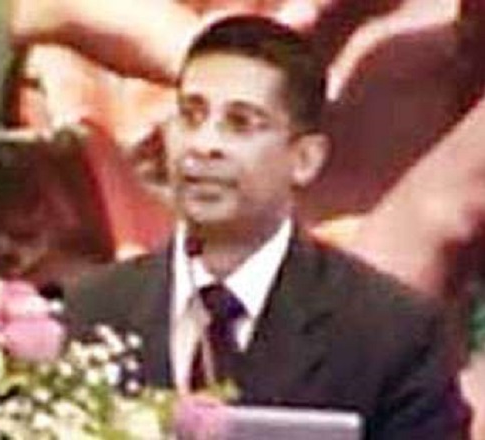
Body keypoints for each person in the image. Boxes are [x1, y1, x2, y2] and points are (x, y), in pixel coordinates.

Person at [66, 15, 469, 439]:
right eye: (191, 116)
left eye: (241, 123)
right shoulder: (90, 312)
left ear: (305, 159)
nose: (204, 146)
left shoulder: (390, 334)